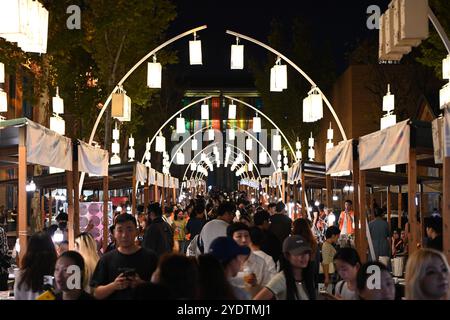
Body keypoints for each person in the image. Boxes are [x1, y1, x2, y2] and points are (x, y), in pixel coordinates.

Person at [90, 214, 158, 300]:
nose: (124, 235)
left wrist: (142, 285)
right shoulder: (106, 259)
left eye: (129, 230)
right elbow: (96, 293)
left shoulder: (151, 257)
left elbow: (161, 291)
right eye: (120, 230)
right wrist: (114, 286)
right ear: (114, 233)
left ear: (137, 232)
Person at [254, 235, 316, 300]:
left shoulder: (308, 277)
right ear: (287, 256)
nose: (303, 256)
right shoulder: (281, 279)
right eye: (298, 253)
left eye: (306, 252)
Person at [227, 223, 276, 298]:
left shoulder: (261, 262)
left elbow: (269, 291)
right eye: (239, 236)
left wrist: (255, 285)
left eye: (246, 236)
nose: (244, 240)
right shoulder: (226, 262)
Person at [14, 232, 58, 300]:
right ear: (52, 250)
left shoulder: (22, 276)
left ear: (29, 251)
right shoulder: (57, 274)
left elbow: (17, 297)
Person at [292, 219, 320, 288]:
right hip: (310, 272)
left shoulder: (294, 242)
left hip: (297, 274)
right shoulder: (312, 242)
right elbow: (315, 261)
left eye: (293, 227)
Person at [320, 226, 340, 293]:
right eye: (337, 236)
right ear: (333, 235)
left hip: (329, 273)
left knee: (327, 293)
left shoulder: (328, 245)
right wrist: (326, 278)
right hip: (328, 274)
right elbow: (325, 262)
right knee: (326, 294)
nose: (338, 238)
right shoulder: (326, 246)